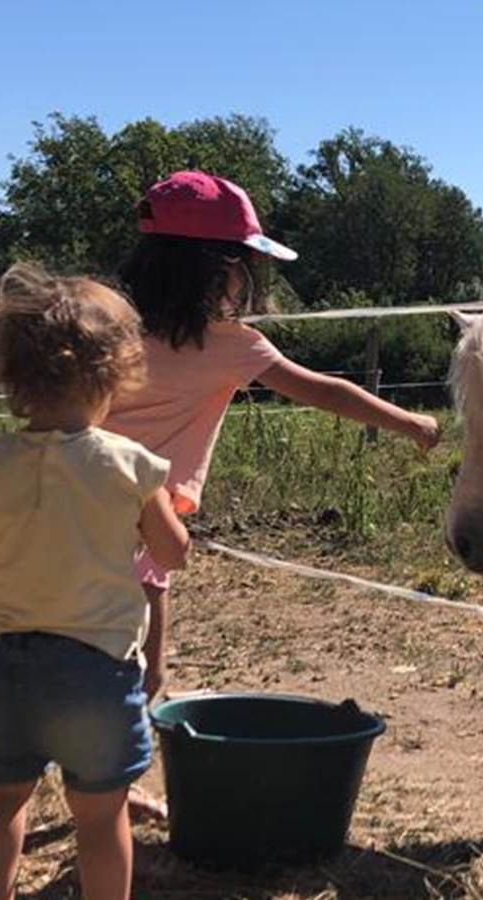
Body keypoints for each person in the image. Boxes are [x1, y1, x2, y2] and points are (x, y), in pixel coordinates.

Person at [103, 171, 439, 820]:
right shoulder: (233, 346)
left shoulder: (110, 330)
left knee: (88, 657)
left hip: (74, 515)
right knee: (139, 673)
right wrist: (408, 422)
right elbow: (325, 390)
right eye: (247, 267)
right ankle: (105, 793)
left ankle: (94, 784)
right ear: (221, 272)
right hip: (148, 530)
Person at [0, 263, 189, 900]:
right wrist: (167, 512)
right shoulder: (131, 466)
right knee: (98, 814)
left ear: (14, 377)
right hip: (93, 664)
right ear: (113, 375)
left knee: (0, 801)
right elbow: (172, 556)